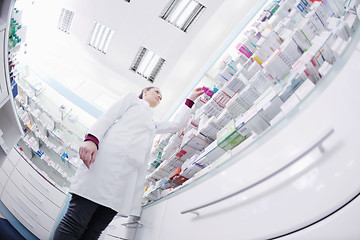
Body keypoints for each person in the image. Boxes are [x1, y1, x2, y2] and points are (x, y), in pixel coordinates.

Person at [53, 86, 204, 240]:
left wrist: (190, 100)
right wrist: (92, 138)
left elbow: (176, 125)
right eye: (156, 92)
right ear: (145, 92)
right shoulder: (133, 100)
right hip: (104, 167)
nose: (160, 96)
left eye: (161, 95)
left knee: (94, 232)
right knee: (75, 222)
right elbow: (109, 115)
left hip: (124, 183)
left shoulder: (152, 124)